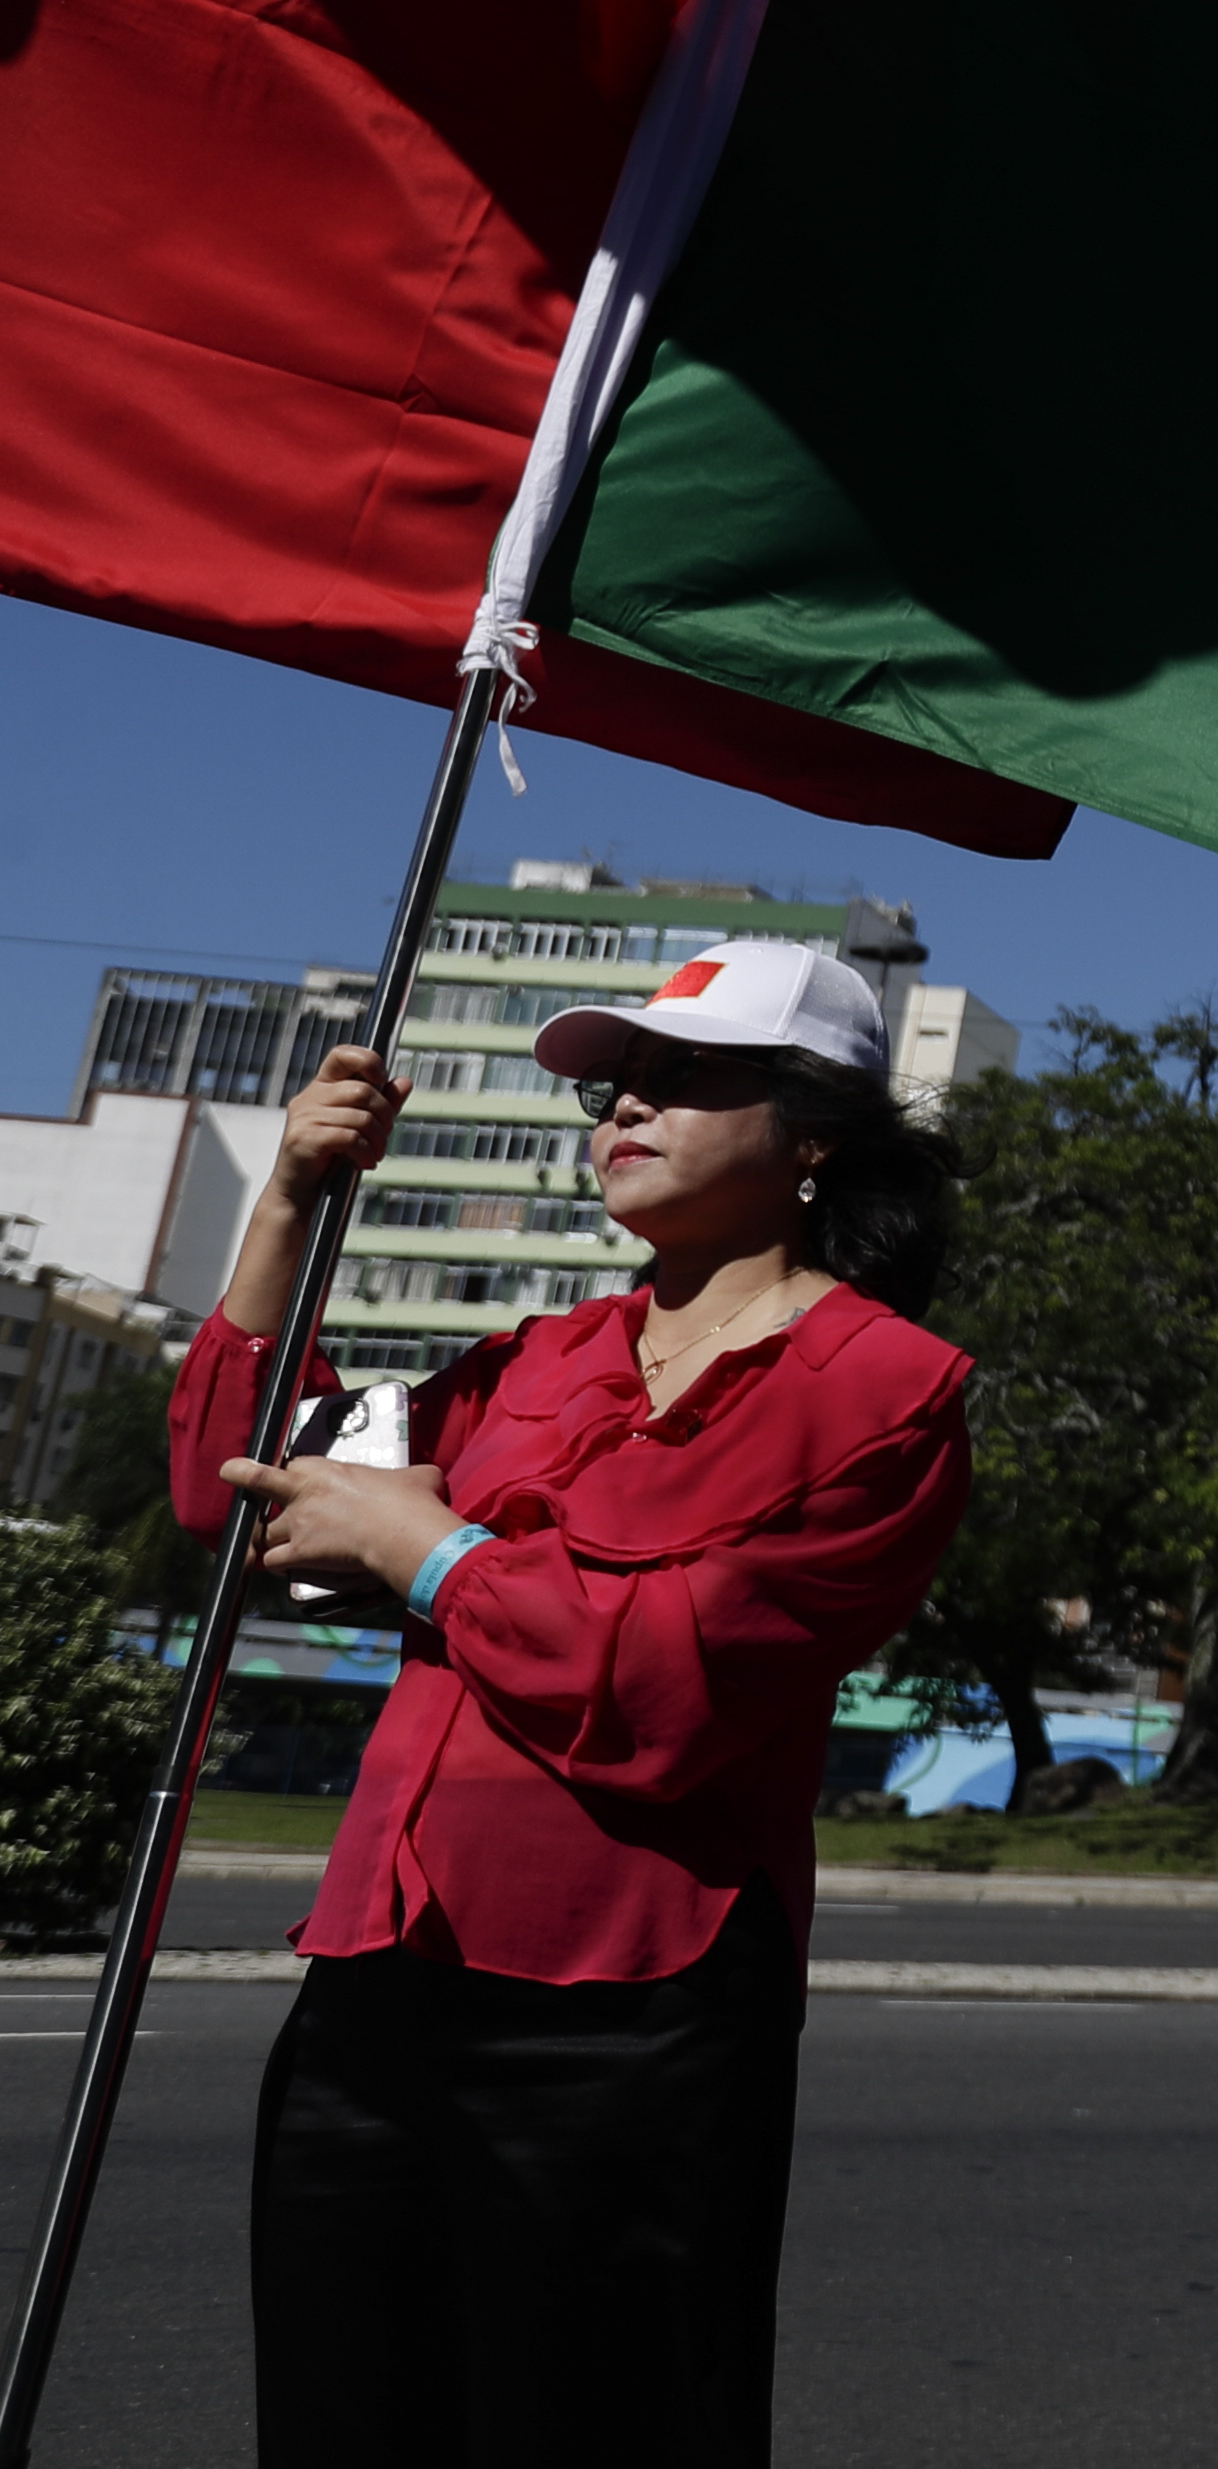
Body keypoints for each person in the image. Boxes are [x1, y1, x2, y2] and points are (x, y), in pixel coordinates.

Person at [165, 932, 976, 2469]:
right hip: (380, 1978)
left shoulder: (888, 1394)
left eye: (680, 1079)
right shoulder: (535, 1361)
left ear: (814, 1134)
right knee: (344, 2417)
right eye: (614, 1086)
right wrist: (288, 1205)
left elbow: (664, 1686)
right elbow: (235, 1491)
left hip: (631, 2016)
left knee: (592, 2424)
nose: (623, 1111)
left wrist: (431, 1548)